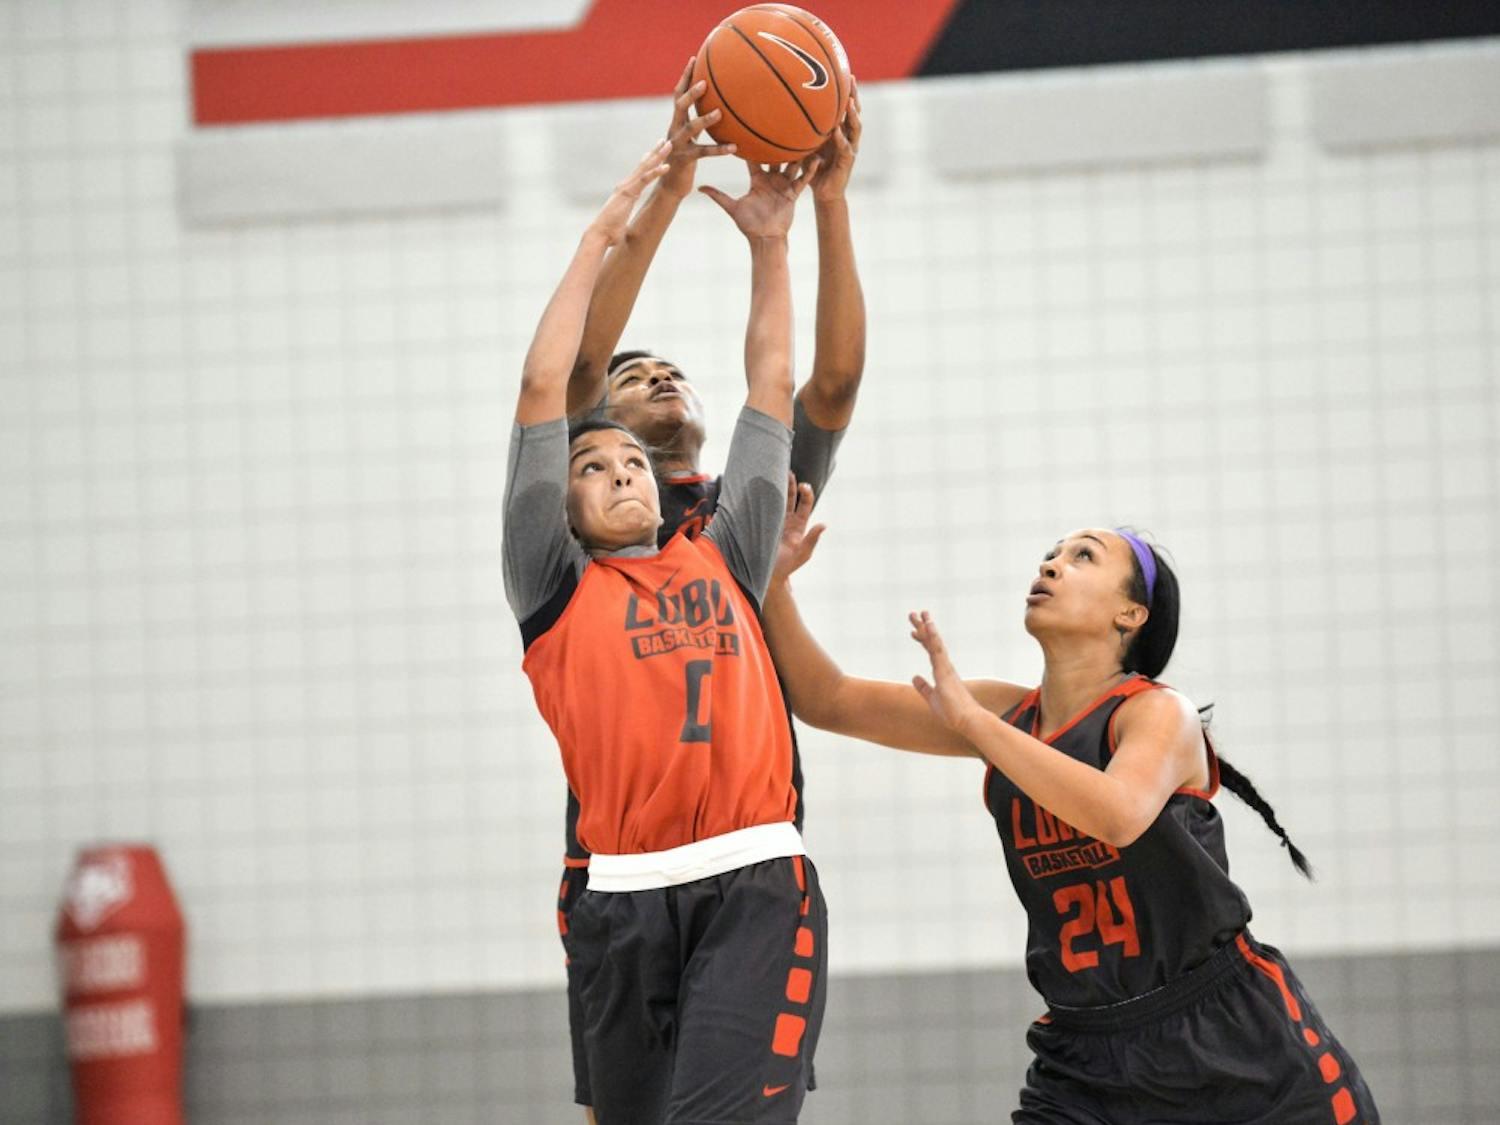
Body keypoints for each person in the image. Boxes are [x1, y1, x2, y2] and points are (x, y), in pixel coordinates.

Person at [762, 492, 1381, 1125]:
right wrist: (776, 579)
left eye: (1082, 556)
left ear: (1130, 613)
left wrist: (976, 725)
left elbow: (1117, 814)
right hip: (1086, 1060)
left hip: (1230, 1041)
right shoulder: (1007, 717)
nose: (1052, 565)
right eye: (1050, 555)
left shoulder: (1156, 713)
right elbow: (828, 699)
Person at [552, 60, 865, 1121]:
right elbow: (581, 356)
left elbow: (820, 385)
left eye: (672, 370)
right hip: (620, 851)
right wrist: (671, 184)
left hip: (743, 844)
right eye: (632, 381)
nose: (658, 378)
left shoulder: (740, 519)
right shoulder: (567, 549)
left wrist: (822, 204)